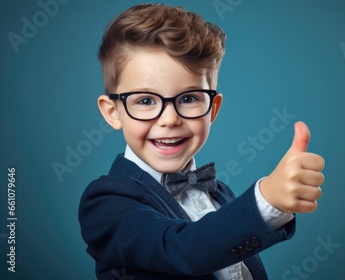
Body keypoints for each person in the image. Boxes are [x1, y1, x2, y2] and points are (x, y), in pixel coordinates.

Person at [78, 3, 325, 279]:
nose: (170, 119)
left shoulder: (220, 192)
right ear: (113, 112)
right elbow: (182, 248)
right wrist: (266, 201)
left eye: (189, 98)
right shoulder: (105, 203)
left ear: (213, 109)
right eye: (145, 100)